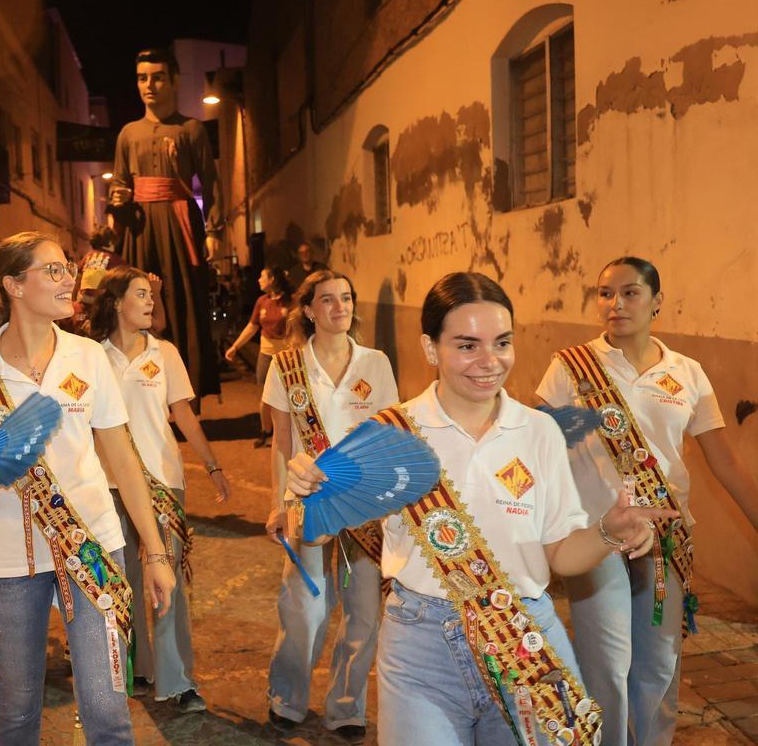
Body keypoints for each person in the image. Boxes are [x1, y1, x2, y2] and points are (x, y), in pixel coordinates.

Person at [286, 272, 675, 746]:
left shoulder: (538, 432)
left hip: (525, 640)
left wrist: (609, 533)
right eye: (467, 346)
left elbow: (561, 556)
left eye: (502, 343)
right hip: (420, 647)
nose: (489, 362)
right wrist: (308, 494)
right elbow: (316, 535)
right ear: (431, 348)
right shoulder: (391, 434)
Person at [0, 231, 177, 745]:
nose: (70, 281)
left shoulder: (88, 358)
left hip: (92, 547)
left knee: (107, 707)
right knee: (18, 708)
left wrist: (154, 552)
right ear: (14, 286)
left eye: (68, 269)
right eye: (55, 271)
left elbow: (123, 461)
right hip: (7, 563)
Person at [535, 256, 758, 746]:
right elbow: (536, 446)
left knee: (658, 662)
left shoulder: (688, 373)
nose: (615, 304)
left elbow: (724, 462)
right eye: (605, 293)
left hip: (665, 536)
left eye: (630, 293)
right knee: (607, 661)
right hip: (597, 536)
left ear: (658, 301)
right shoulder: (571, 367)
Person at [261, 271, 397, 742]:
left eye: (346, 298)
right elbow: (280, 443)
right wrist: (279, 503)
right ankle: (287, 698)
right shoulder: (288, 367)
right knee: (304, 608)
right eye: (328, 300)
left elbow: (387, 438)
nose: (340, 307)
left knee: (362, 611)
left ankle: (346, 707)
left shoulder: (376, 363)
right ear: (309, 310)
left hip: (362, 507)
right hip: (307, 505)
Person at [87, 265, 230, 713]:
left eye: (151, 295)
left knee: (165, 581)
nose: (150, 302)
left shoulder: (163, 353)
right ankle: (141, 668)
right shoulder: (91, 356)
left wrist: (212, 466)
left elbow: (183, 415)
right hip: (108, 486)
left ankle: (177, 680)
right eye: (141, 294)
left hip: (163, 483)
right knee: (125, 582)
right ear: (115, 302)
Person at [108, 47, 222, 400]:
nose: (149, 85)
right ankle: (140, 396)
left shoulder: (191, 129)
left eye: (158, 77)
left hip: (179, 226)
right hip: (139, 231)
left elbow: (212, 184)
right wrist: (117, 198)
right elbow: (120, 183)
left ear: (173, 81)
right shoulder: (127, 133)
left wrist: (214, 231)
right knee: (134, 307)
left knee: (183, 305)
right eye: (143, 78)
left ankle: (183, 397)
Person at [225, 266, 295, 447]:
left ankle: (288, 433)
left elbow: (300, 327)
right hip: (266, 355)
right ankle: (266, 431)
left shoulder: (290, 301)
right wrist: (235, 347)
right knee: (264, 397)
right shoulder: (261, 301)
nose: (258, 280)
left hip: (286, 356)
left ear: (272, 279)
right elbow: (252, 327)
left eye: (262, 277)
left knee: (289, 396)